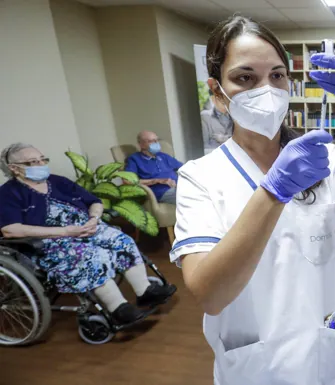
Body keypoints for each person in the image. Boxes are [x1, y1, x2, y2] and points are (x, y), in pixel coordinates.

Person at [169, 16, 335, 385]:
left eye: (277, 75)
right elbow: (211, 294)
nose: (266, 90)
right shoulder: (200, 177)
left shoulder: (323, 158)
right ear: (217, 92)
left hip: (330, 361)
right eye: (245, 78)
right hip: (256, 369)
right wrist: (273, 192)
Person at [0, 143, 175, 325]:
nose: (41, 164)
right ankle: (118, 308)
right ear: (14, 168)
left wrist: (93, 218)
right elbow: (10, 229)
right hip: (49, 242)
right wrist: (65, 231)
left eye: (43, 159)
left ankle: (144, 291)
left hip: (86, 228)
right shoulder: (8, 194)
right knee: (92, 256)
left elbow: (94, 201)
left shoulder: (58, 181)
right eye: (32, 162)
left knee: (121, 240)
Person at [125, 130, 183, 205]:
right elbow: (127, 181)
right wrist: (156, 180)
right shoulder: (134, 159)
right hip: (162, 191)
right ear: (141, 144)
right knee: (193, 199)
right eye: (151, 141)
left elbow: (183, 167)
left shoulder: (163, 155)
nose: (156, 143)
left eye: (157, 140)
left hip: (179, 186)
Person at [201, 89, 234, 154]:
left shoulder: (236, 117)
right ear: (213, 99)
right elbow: (203, 147)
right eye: (221, 97)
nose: (224, 100)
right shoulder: (205, 117)